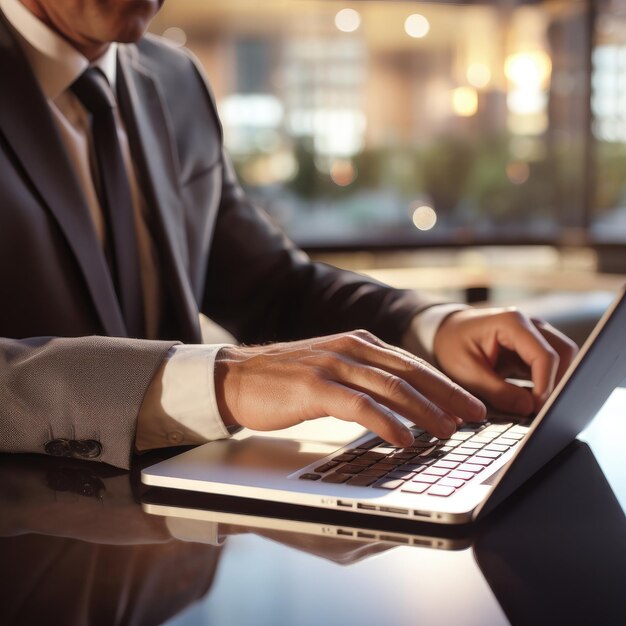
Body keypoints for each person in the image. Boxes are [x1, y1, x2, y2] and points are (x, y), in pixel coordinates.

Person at [0, 0, 577, 470]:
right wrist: (220, 381)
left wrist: (429, 328)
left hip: (176, 559)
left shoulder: (173, 78)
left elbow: (273, 286)